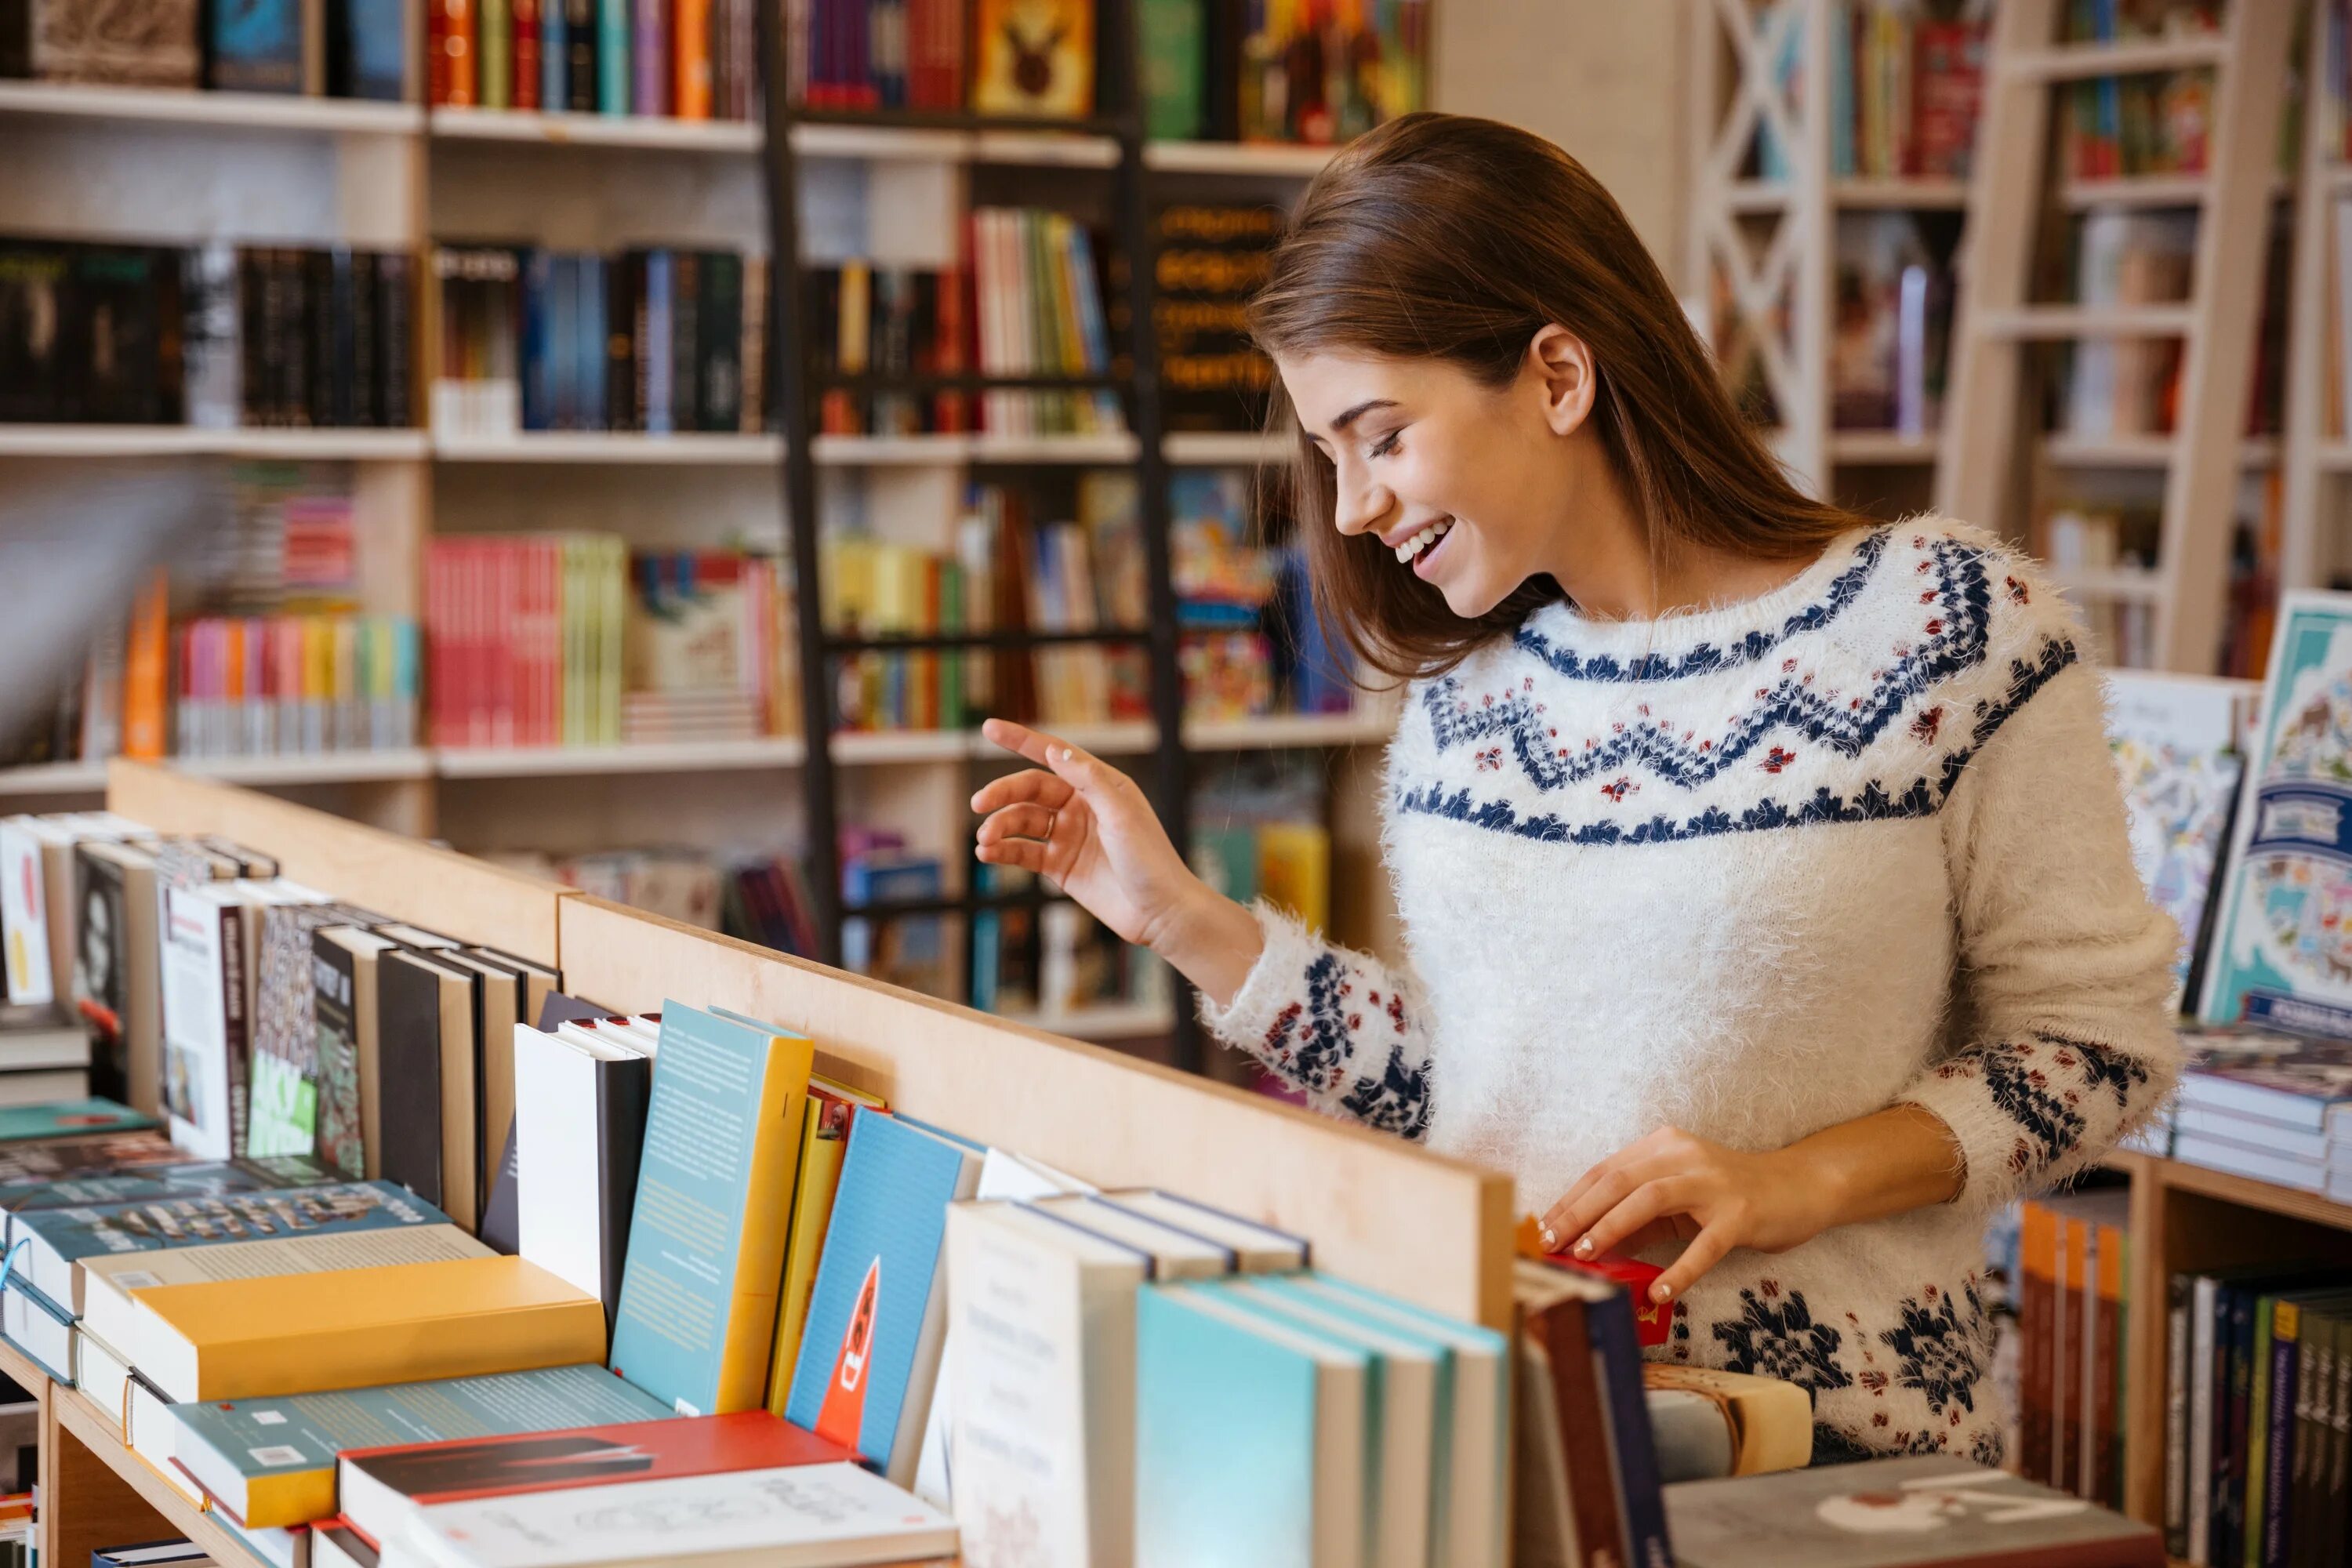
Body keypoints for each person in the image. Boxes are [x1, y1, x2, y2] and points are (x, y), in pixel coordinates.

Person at [969, 112, 2177, 1464]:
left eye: (1378, 434)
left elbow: (2101, 1043)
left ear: (1556, 374)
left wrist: (1799, 1182)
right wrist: (1176, 916)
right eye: (1327, 455)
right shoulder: (1468, 703)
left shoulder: (1949, 625)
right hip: (1516, 1420)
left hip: (1831, 1453)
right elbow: (1468, 1091)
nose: (1353, 507)